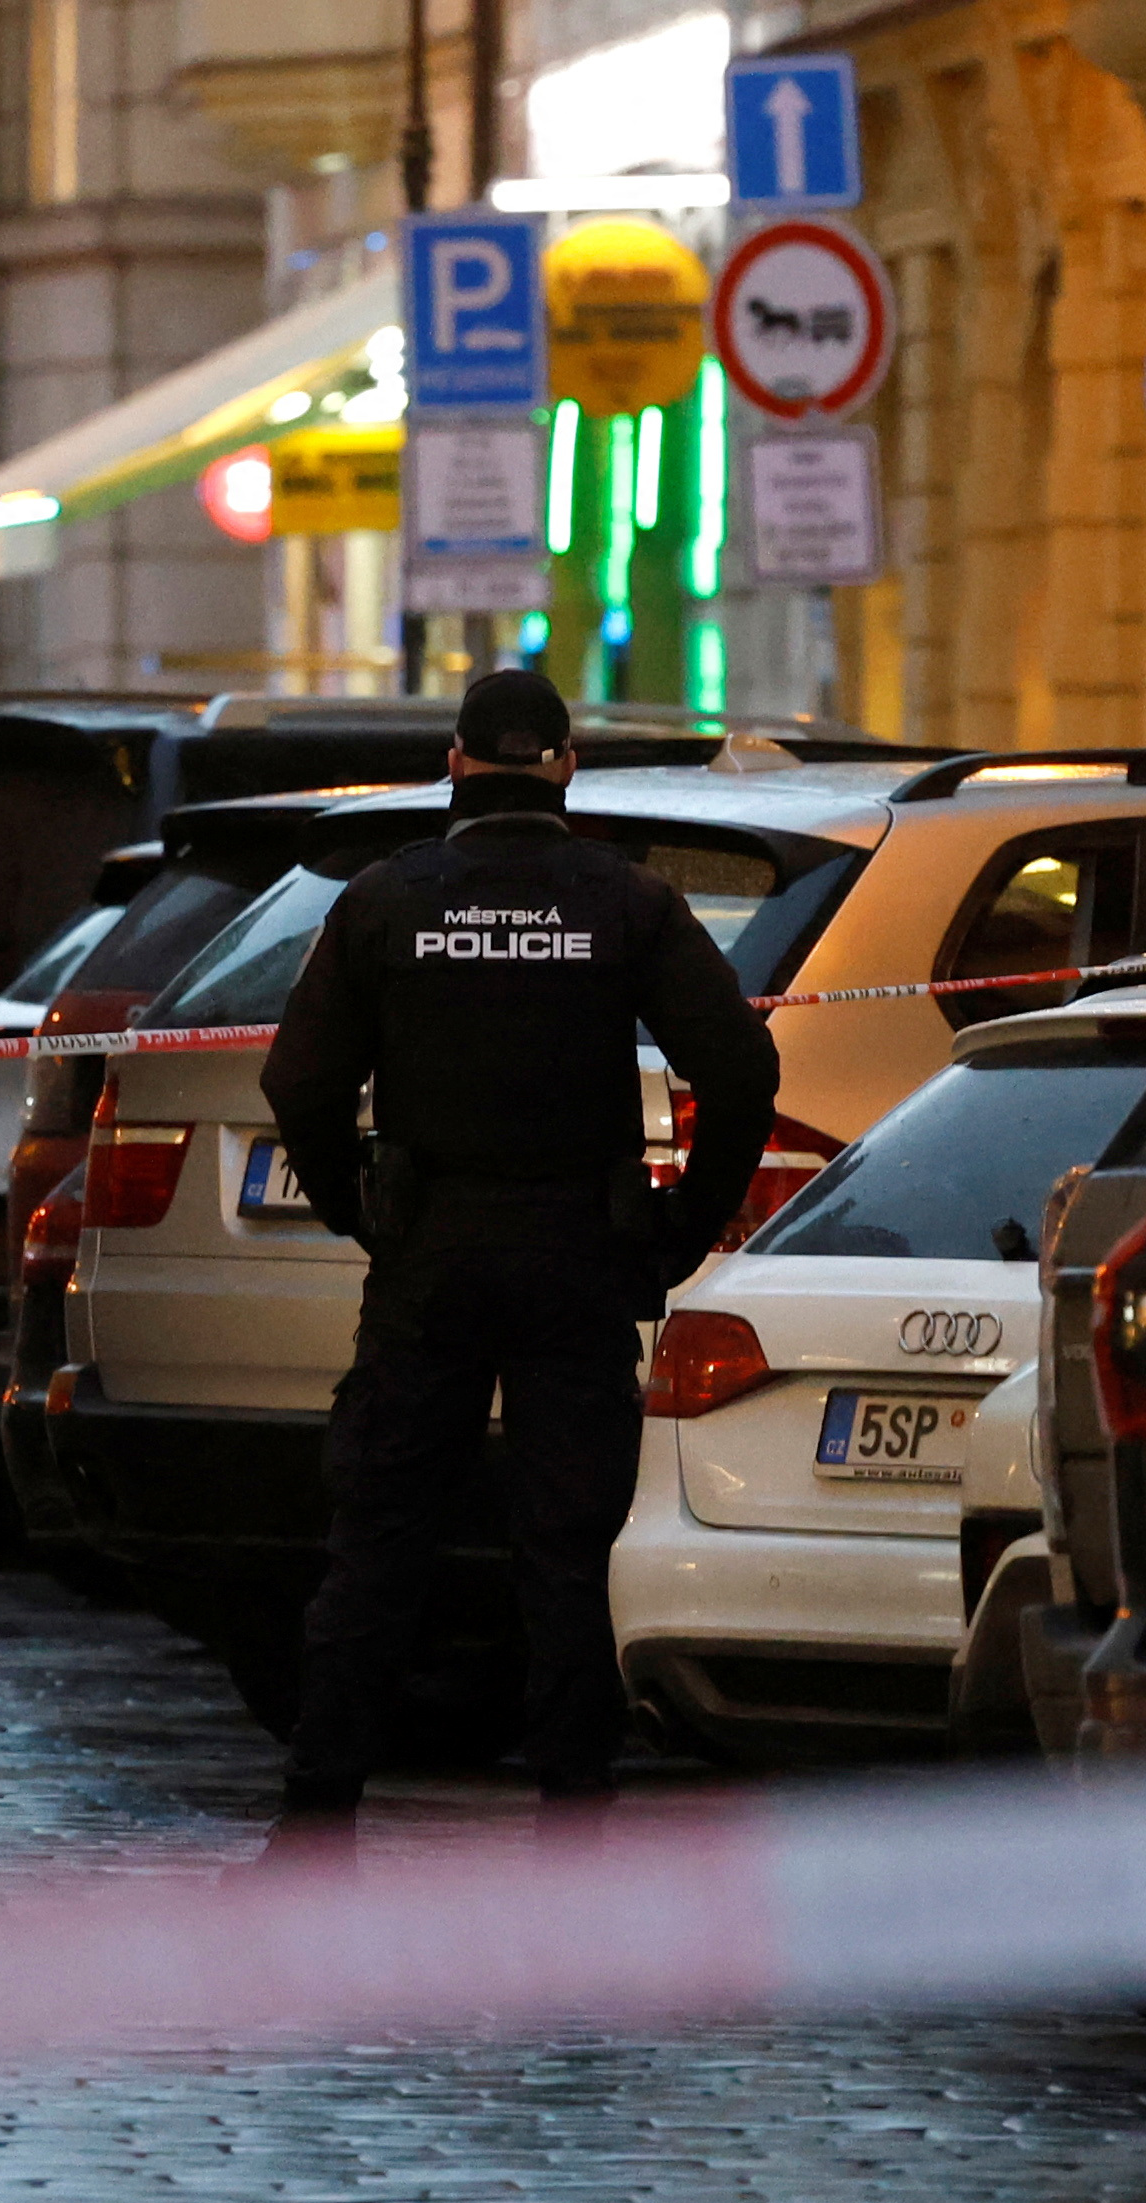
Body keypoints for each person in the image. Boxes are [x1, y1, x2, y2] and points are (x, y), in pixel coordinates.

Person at [259, 664, 780, 1819]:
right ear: (563, 769)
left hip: (429, 1254)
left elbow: (298, 1078)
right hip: (578, 1255)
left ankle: (318, 1807)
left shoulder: (388, 899)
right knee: (569, 1541)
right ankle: (574, 1805)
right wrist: (682, 1227)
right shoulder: (624, 900)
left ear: (452, 764)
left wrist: (358, 1205)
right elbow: (741, 1069)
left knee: (380, 1536)